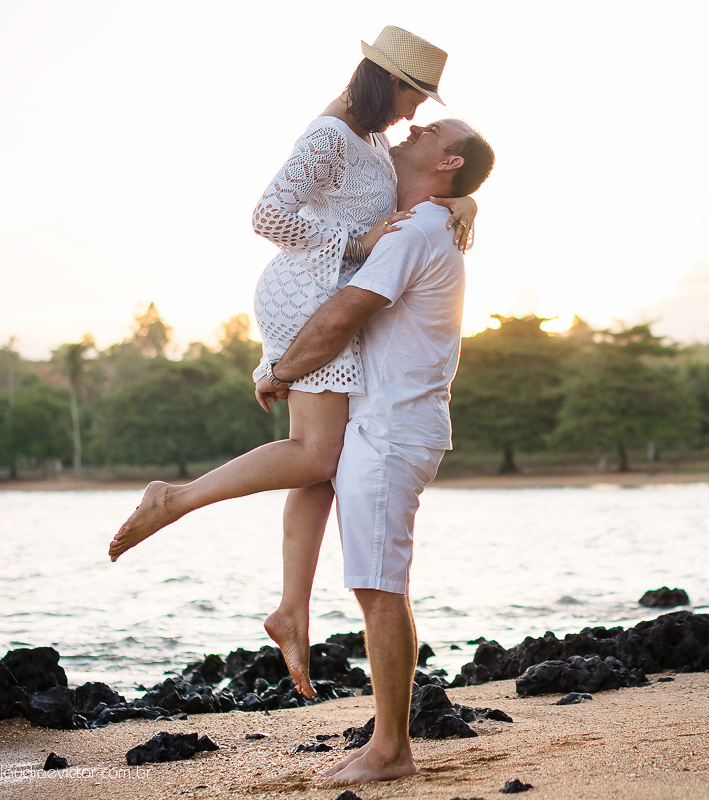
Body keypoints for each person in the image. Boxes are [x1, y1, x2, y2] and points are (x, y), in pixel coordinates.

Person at [107, 26, 476, 700]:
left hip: (323, 298)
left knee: (322, 461)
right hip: (306, 298)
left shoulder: (368, 140)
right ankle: (177, 499)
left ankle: (290, 607)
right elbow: (268, 215)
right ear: (385, 79)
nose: (414, 113)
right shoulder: (330, 134)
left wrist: (463, 197)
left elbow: (417, 187)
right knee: (314, 455)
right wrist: (354, 239)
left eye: (424, 103)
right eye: (413, 95)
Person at [253, 118, 494, 785]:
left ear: (446, 161)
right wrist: (466, 199)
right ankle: (299, 620)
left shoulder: (417, 229)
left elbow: (339, 317)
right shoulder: (424, 217)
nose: (413, 121)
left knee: (380, 584)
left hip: (392, 429)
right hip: (380, 423)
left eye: (432, 126)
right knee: (370, 576)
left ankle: (391, 748)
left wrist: (278, 370)